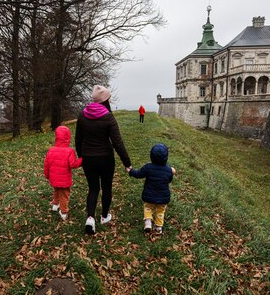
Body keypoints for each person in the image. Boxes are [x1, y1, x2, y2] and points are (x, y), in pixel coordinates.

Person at [75, 85, 131, 235]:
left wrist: (82, 156)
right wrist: (127, 163)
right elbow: (117, 143)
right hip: (106, 158)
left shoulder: (82, 115)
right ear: (105, 100)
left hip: (88, 158)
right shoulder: (108, 117)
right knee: (106, 188)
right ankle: (104, 216)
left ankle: (90, 218)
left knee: (93, 188)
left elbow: (78, 140)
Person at [127, 143, 176, 234]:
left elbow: (138, 174)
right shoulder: (169, 169)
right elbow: (169, 180)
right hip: (163, 197)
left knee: (148, 207)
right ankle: (158, 227)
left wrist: (130, 171)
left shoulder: (148, 167)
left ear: (151, 156)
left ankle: (148, 222)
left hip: (149, 195)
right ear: (166, 157)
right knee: (160, 211)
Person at [44, 126, 82, 221]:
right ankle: (64, 212)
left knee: (56, 190)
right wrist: (82, 160)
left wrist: (47, 175)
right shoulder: (70, 151)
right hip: (64, 180)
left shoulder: (51, 150)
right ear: (68, 137)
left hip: (54, 178)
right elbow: (73, 164)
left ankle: (55, 204)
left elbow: (46, 165)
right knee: (64, 195)